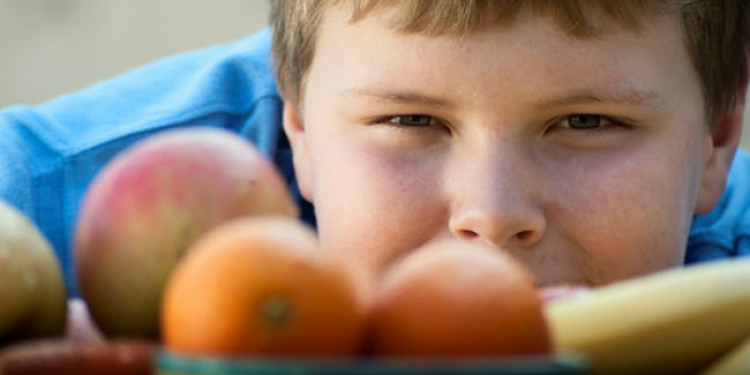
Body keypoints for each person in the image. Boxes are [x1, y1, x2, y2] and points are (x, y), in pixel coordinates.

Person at [1, 0, 749, 305]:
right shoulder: (33, 209)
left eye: (587, 122)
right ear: (297, 122)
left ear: (717, 137)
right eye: (410, 118)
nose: (491, 215)